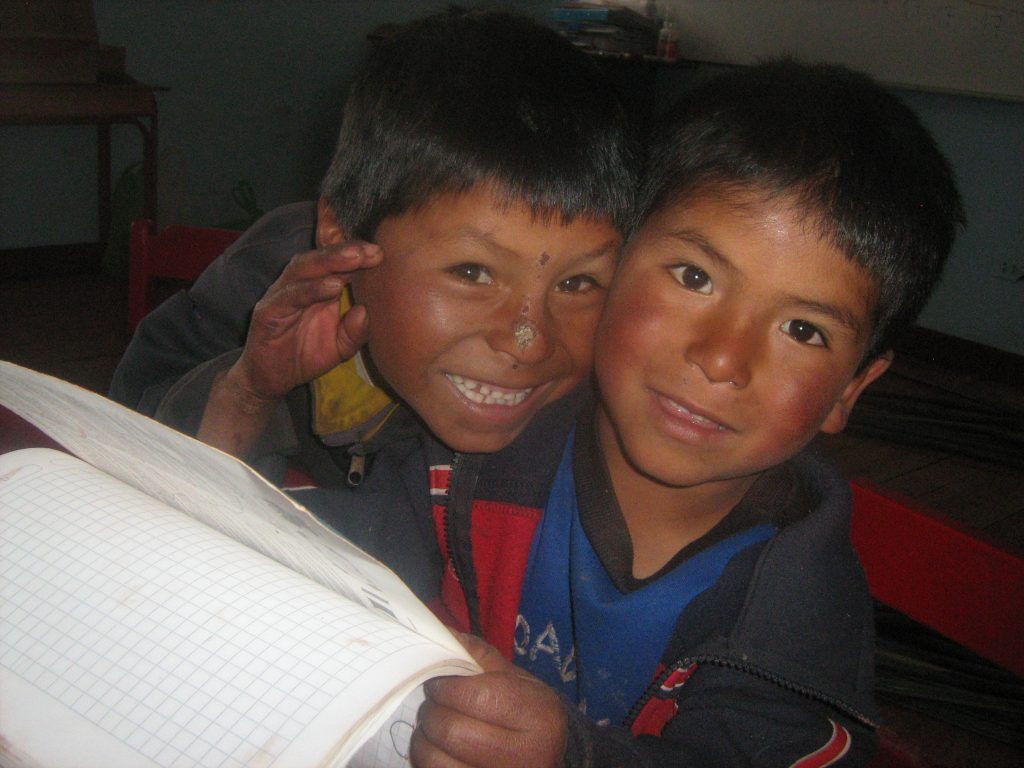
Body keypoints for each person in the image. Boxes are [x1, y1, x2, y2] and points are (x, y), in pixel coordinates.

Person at [397, 60, 965, 767]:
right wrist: (266, 396)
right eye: (695, 277)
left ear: (852, 388)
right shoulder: (474, 445)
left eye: (803, 330)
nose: (723, 358)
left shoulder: (801, 620)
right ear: (612, 261)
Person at [108, 9, 639, 488]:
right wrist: (249, 391)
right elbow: (125, 457)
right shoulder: (269, 284)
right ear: (343, 237)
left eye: (577, 283)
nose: (528, 344)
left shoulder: (605, 401)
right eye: (472, 272)